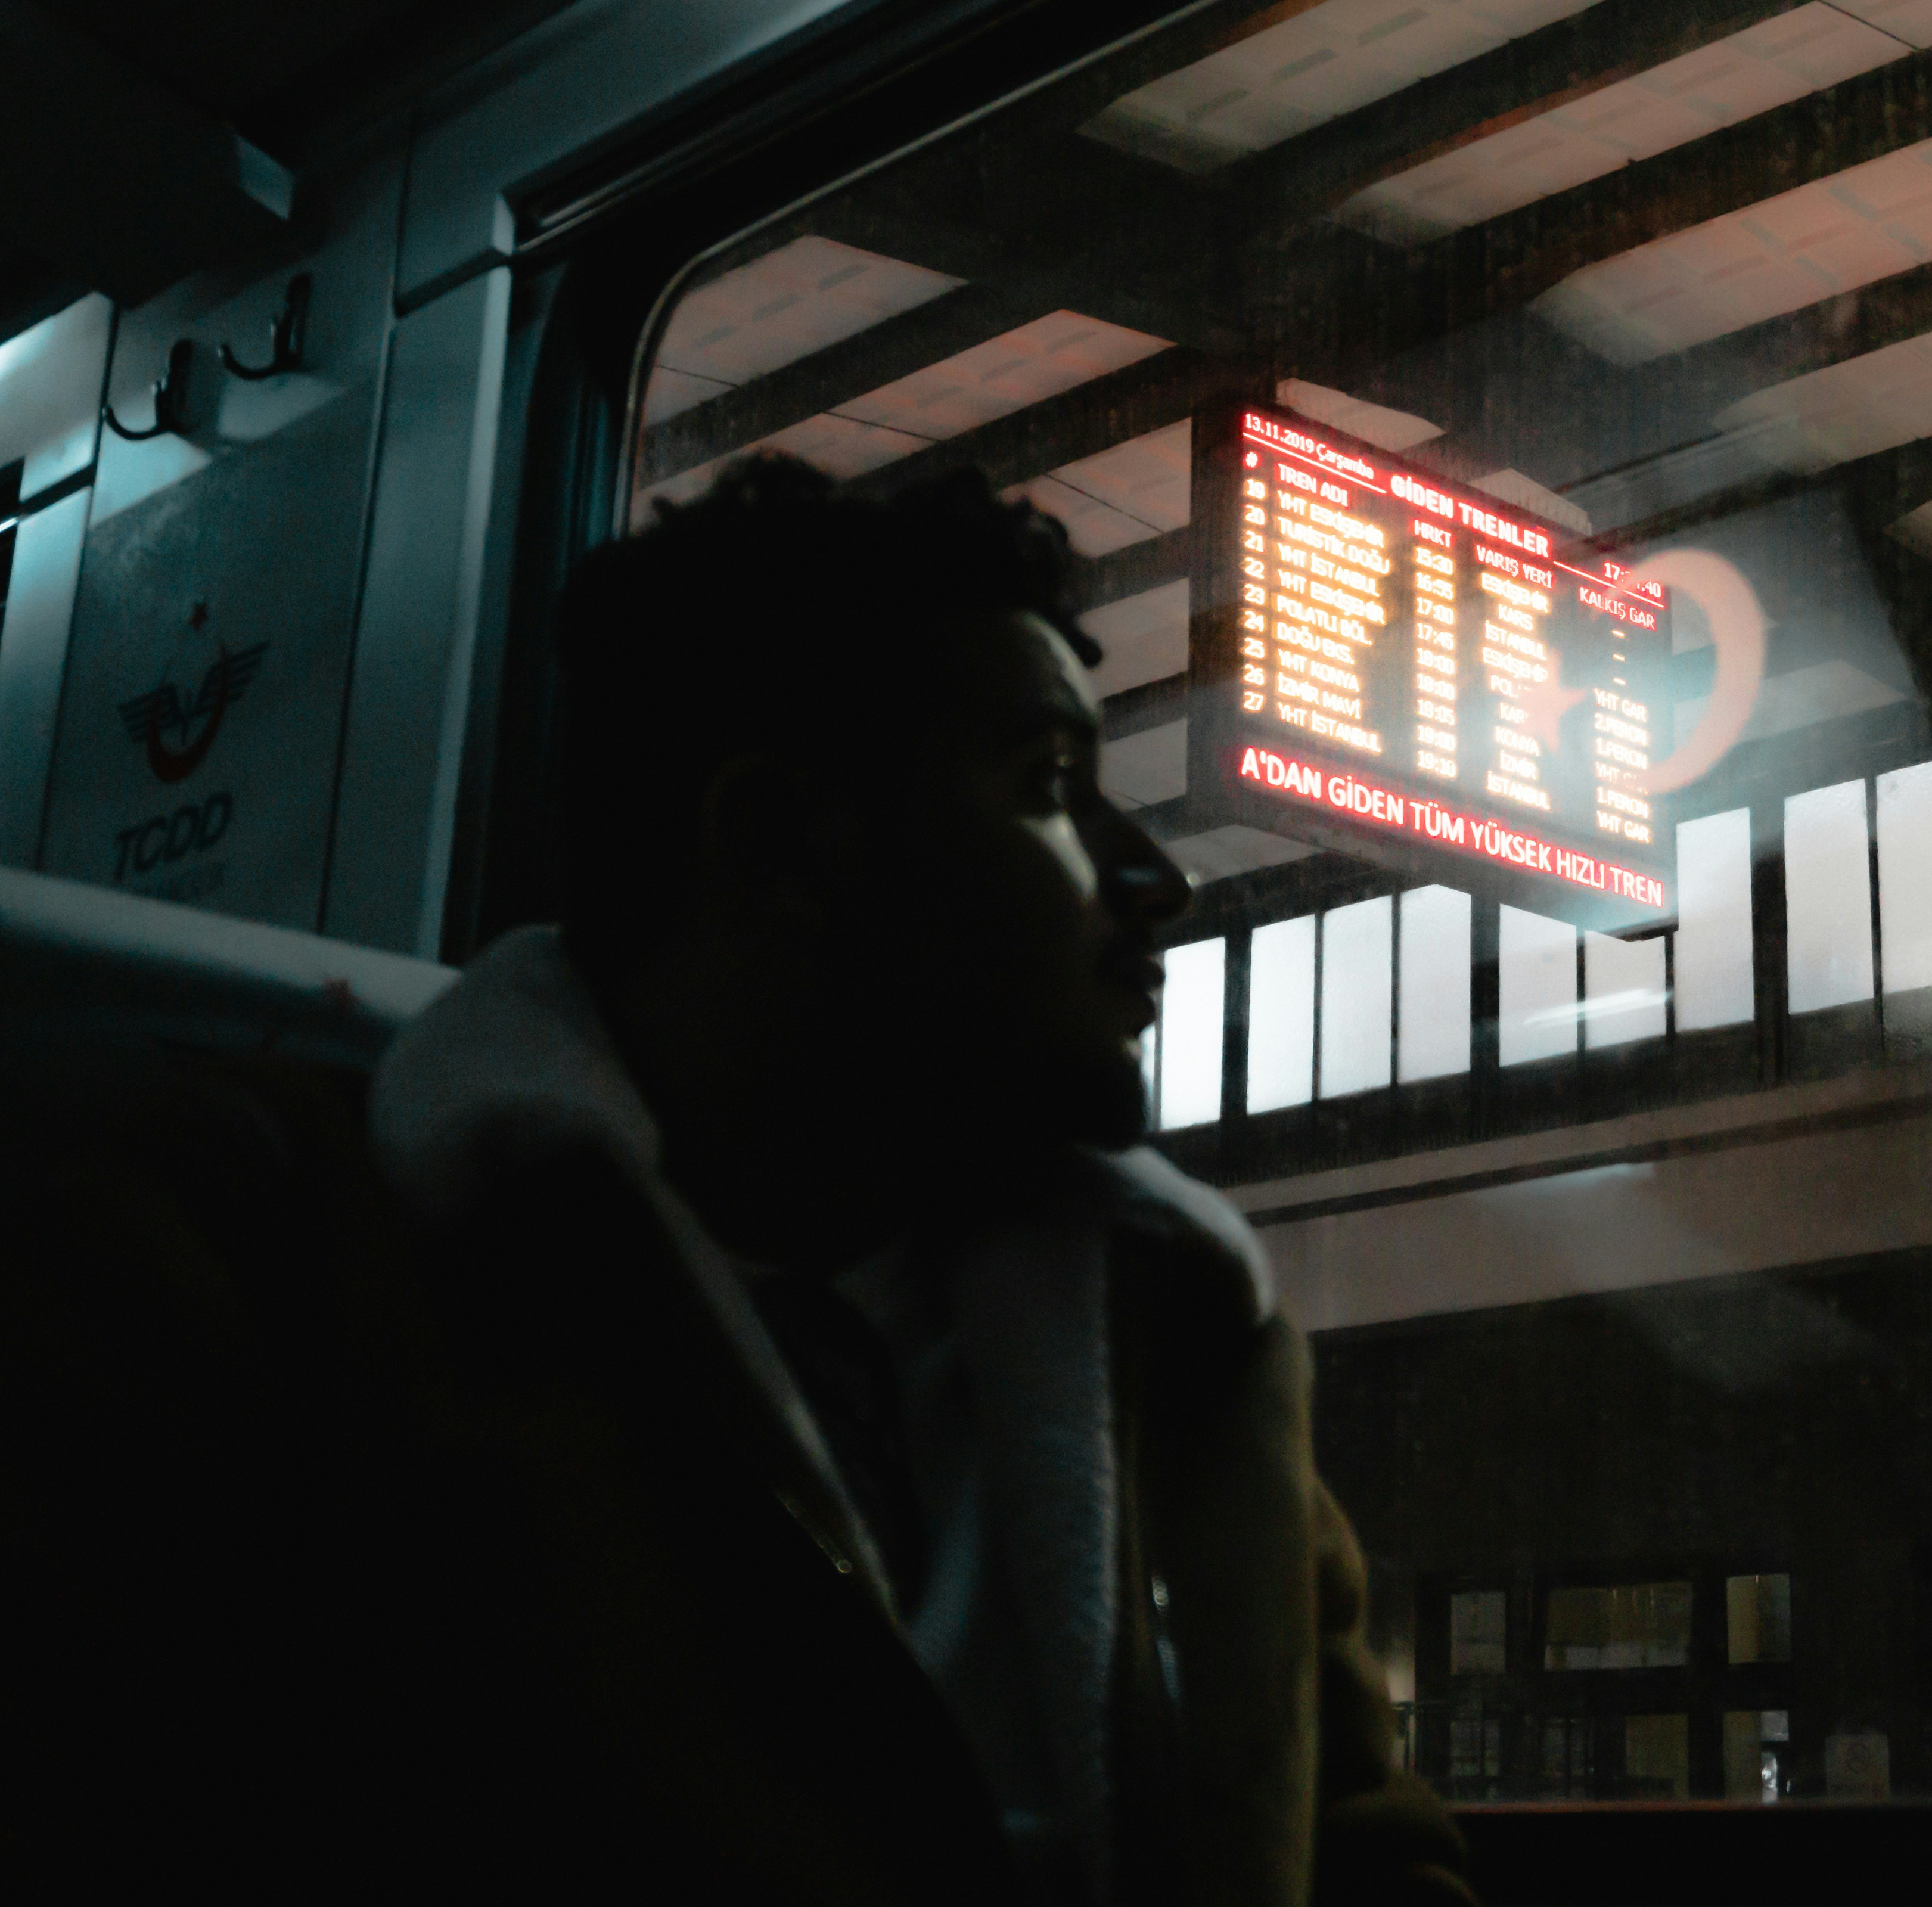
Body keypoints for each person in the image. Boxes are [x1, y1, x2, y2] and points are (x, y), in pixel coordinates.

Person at [368, 456, 1472, 1903]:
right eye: (1051, 787)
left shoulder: (1188, 1350)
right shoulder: (302, 1308)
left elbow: (1370, 1858)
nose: (1157, 880)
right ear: (781, 847)